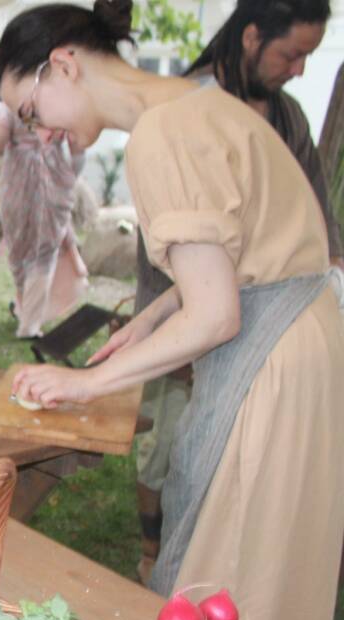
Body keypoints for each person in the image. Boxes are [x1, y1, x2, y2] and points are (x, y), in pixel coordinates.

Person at [0, 0, 344, 620]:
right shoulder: (201, 105)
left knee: (237, 590)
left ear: (63, 64)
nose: (39, 133)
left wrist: (85, 383)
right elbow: (235, 260)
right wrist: (150, 320)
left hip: (274, 367)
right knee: (275, 580)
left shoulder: (163, 134)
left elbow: (216, 316)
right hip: (304, 349)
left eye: (30, 112)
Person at [132, 0, 341, 585]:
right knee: (172, 450)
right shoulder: (185, 108)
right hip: (186, 317)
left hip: (267, 336)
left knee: (250, 479)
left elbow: (318, 225)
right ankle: (154, 557)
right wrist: (168, 325)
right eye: (292, 54)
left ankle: (225, 582)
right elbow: (170, 244)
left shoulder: (288, 119)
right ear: (251, 37)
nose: (299, 69)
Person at [0, 105, 89, 338]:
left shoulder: (12, 106)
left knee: (20, 249)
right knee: (45, 251)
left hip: (17, 182)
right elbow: (78, 150)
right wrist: (69, 176)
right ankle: (29, 316)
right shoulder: (60, 103)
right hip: (53, 179)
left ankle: (29, 317)